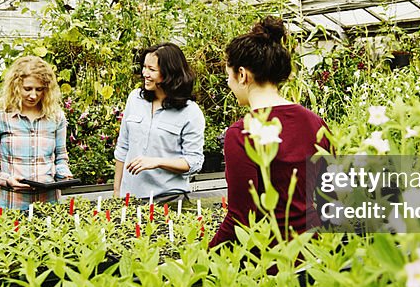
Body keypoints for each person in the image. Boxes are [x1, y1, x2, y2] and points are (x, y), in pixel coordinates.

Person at [209, 17, 329, 249]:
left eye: (229, 75)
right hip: (317, 254)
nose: (228, 83)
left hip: (271, 262)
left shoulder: (242, 133)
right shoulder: (316, 123)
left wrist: (200, 260)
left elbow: (240, 218)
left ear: (242, 75)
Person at [0, 55, 72, 207]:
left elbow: (61, 157)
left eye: (39, 89)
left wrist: (64, 175)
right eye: (27, 89)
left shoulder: (55, 117)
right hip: (13, 203)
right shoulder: (1, 118)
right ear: (16, 86)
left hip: (49, 204)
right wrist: (6, 179)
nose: (33, 95)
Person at [113, 43, 205, 202]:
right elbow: (122, 147)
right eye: (144, 67)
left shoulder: (190, 112)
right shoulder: (135, 99)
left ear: (170, 74)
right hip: (130, 199)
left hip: (170, 199)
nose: (144, 74)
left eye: (151, 69)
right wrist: (117, 193)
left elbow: (194, 162)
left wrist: (157, 162)